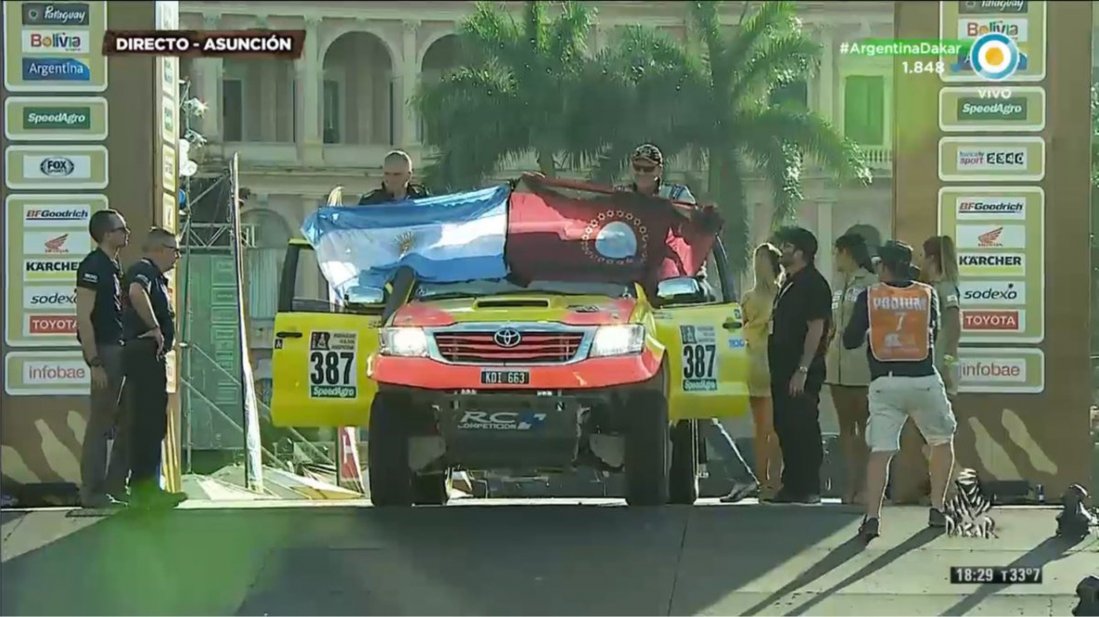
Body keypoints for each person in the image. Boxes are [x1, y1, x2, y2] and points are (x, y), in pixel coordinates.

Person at [842, 241, 957, 540]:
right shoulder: (926, 294)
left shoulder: (870, 296)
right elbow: (934, 327)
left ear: (884, 267)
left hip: (885, 381)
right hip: (923, 379)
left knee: (881, 451)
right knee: (942, 441)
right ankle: (938, 508)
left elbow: (850, 340)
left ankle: (872, 517)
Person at [121, 228, 187, 508]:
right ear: (159, 249)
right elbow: (136, 291)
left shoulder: (159, 278)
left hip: (153, 358)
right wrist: (154, 327)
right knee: (147, 423)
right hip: (144, 356)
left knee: (153, 423)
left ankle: (148, 487)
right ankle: (144, 490)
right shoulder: (143, 270)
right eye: (174, 250)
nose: (177, 256)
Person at [768, 226, 832, 505]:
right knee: (785, 425)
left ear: (802, 252)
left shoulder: (814, 284)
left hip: (801, 369)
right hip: (781, 367)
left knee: (803, 425)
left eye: (788, 246)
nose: (783, 251)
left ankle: (809, 487)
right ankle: (791, 485)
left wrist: (803, 369)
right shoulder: (789, 282)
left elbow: (817, 328)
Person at [75, 209, 132, 508]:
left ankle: (113, 485)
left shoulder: (114, 265)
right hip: (105, 352)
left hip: (120, 348)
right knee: (99, 423)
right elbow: (83, 318)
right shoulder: (93, 265)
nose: (127, 233)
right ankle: (92, 491)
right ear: (108, 234)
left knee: (119, 419)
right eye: (122, 229)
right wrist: (94, 361)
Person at [824, 233, 878, 505]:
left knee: (865, 427)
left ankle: (867, 486)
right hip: (837, 364)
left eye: (837, 252)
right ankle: (850, 484)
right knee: (845, 428)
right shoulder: (838, 283)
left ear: (848, 252)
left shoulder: (871, 282)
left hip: (861, 364)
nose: (835, 258)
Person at [734, 243, 784, 501]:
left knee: (766, 428)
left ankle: (769, 482)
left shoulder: (758, 296)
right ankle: (768, 482)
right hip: (759, 362)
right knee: (768, 427)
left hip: (762, 360)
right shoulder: (769, 296)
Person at [615, 144, 696, 203]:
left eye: (648, 169)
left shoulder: (677, 195)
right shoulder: (619, 195)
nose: (641, 173)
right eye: (637, 167)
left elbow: (693, 219)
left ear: (659, 170)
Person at [358, 150, 430, 205]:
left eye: (396, 174)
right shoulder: (370, 203)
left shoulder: (423, 201)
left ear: (408, 176)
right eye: (387, 174)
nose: (390, 179)